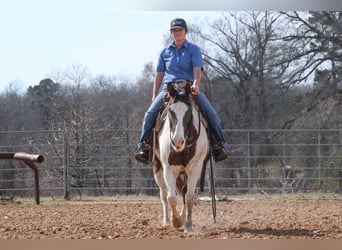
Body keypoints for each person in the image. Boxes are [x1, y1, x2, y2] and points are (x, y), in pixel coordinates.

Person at [135, 18, 228, 164]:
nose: (177, 33)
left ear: (185, 31)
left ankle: (219, 146)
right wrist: (154, 94)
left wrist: (196, 84)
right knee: (149, 115)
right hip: (169, 89)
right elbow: (159, 74)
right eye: (174, 30)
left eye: (180, 30)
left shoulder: (193, 49)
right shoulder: (164, 52)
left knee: (211, 114)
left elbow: (197, 70)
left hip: (188, 88)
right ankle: (144, 147)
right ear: (171, 33)